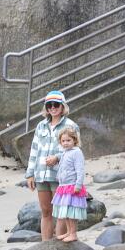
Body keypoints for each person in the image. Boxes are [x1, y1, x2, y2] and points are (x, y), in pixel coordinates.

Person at [24, 90, 80, 241]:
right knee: (45, 211)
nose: (53, 107)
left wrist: (57, 158)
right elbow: (34, 151)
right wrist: (30, 174)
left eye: (56, 104)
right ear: (46, 107)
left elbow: (76, 151)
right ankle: (45, 245)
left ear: (63, 106)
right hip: (41, 174)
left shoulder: (71, 125)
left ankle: (58, 245)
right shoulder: (40, 126)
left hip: (61, 176)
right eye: (49, 105)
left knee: (60, 211)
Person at [50, 128, 86, 242]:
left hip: (72, 186)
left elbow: (80, 170)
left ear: (74, 140)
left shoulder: (77, 152)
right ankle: (68, 232)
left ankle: (73, 233)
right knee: (65, 211)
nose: (65, 143)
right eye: (63, 141)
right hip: (63, 186)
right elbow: (62, 168)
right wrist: (52, 166)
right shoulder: (64, 153)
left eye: (68, 140)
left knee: (71, 212)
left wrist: (78, 185)